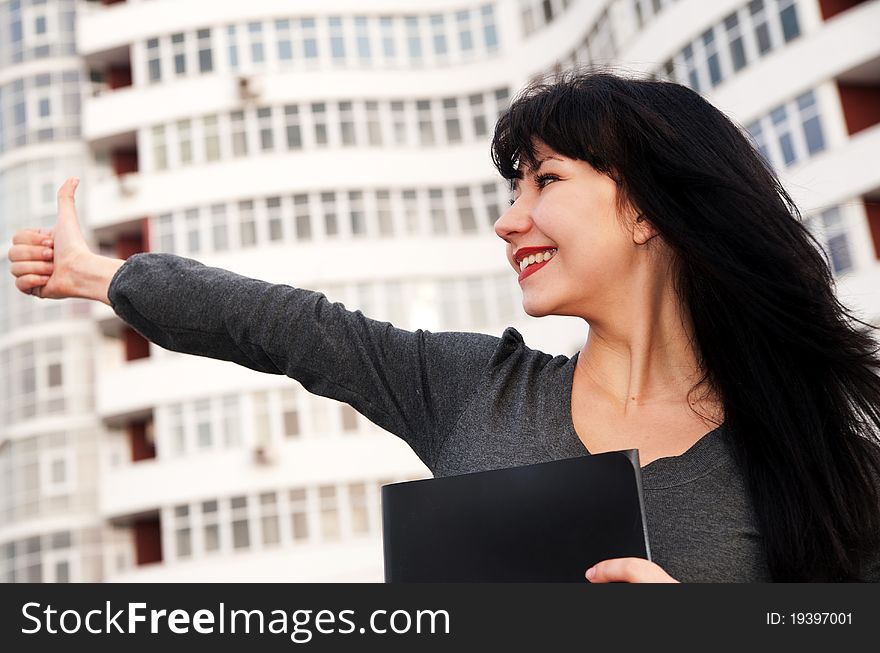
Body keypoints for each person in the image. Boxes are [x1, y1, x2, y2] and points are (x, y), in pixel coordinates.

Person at [8, 71, 880, 582]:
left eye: (545, 182)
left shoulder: (822, 459)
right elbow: (286, 326)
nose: (508, 220)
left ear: (648, 207)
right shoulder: (471, 389)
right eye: (511, 190)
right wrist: (105, 276)